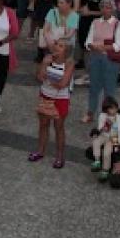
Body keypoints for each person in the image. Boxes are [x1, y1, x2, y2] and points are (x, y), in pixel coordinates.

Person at [29, 39, 74, 168]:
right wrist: (44, 64)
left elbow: (63, 84)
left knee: (58, 127)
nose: (57, 47)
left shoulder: (69, 63)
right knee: (43, 125)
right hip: (45, 95)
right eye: (56, 44)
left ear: (66, 50)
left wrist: (48, 79)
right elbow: (39, 77)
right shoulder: (47, 58)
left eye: (61, 46)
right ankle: (40, 151)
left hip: (60, 99)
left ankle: (59, 156)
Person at [88, 96, 120, 178]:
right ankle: (97, 161)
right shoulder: (102, 115)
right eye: (111, 109)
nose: (114, 111)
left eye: (115, 108)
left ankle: (105, 170)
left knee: (106, 152)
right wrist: (104, 127)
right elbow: (100, 128)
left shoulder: (118, 117)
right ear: (106, 109)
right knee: (96, 142)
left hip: (112, 138)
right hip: (103, 135)